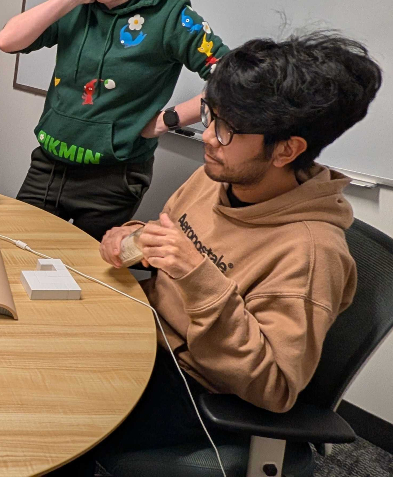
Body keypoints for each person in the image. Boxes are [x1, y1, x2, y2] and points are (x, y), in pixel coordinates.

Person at [68, 32, 382, 475]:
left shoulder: (312, 254)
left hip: (195, 389)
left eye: (228, 130)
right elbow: (170, 239)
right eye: (211, 116)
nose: (209, 137)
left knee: (59, 415)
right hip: (144, 335)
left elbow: (274, 387)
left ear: (287, 150)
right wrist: (134, 240)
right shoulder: (219, 177)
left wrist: (199, 278)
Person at [0, 0, 230, 241]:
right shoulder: (76, 2)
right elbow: (7, 40)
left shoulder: (172, 18)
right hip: (49, 163)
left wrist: (169, 119)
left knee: (87, 267)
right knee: (16, 250)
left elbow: (232, 80)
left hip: (114, 177)